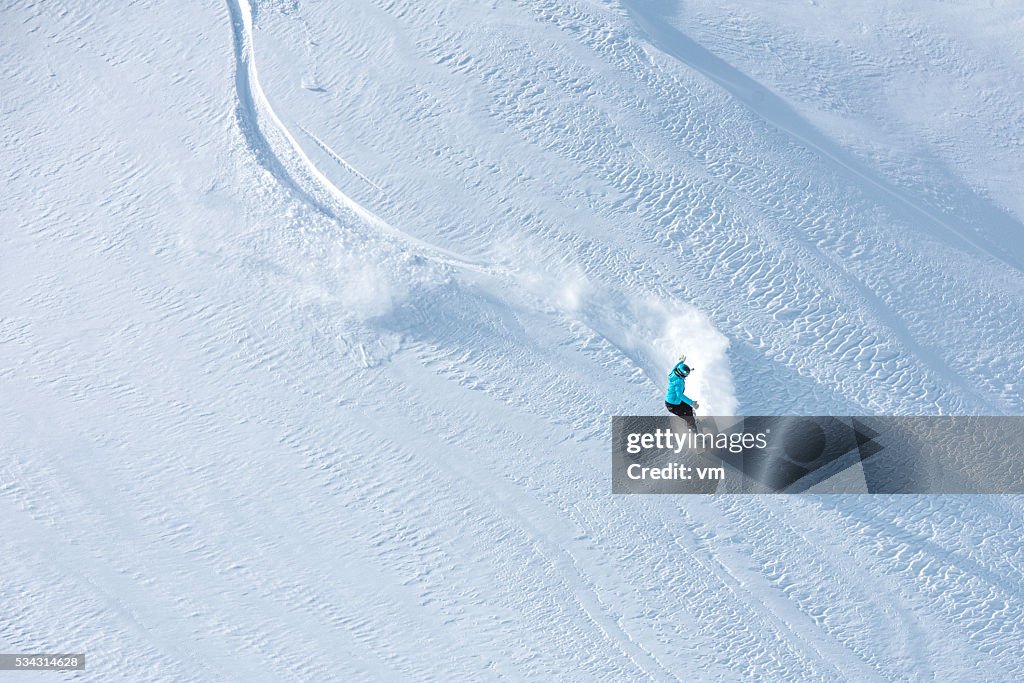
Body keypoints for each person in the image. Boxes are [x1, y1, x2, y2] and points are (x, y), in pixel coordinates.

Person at [665, 355, 699, 430]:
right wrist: (691, 402)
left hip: (674, 401)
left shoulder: (673, 373)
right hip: (673, 405)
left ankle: (691, 423)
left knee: (689, 409)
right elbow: (680, 395)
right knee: (689, 418)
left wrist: (682, 361)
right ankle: (696, 437)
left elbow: (676, 366)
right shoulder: (679, 382)